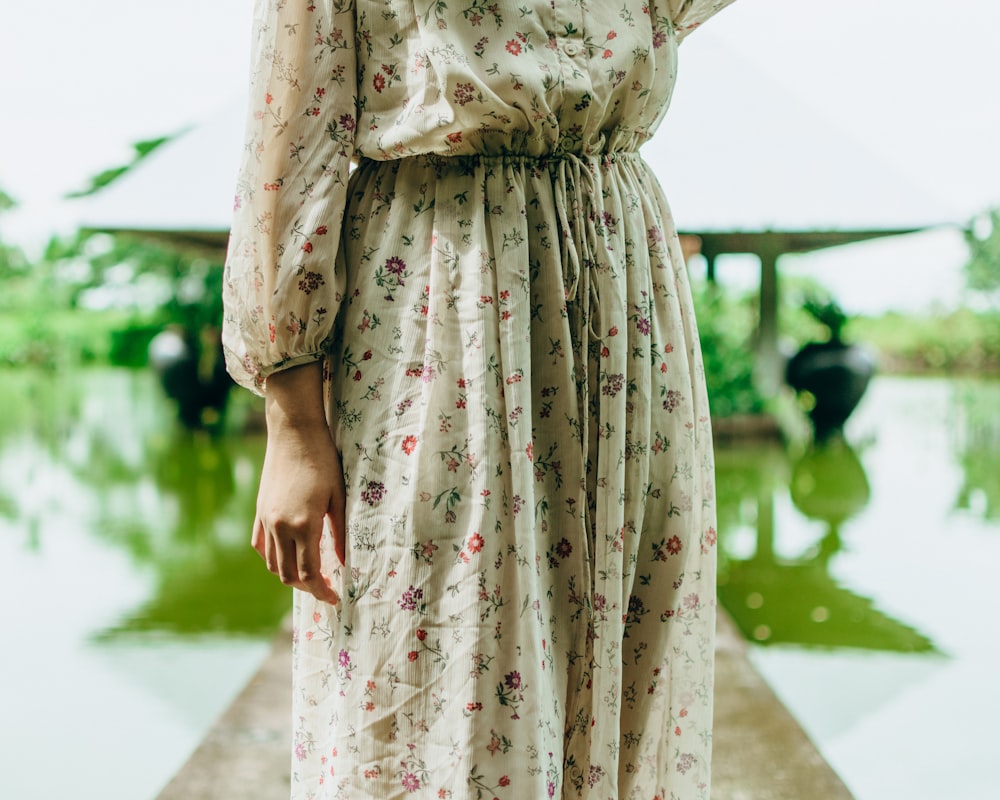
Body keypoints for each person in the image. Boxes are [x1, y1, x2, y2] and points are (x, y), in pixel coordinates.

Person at [222, 1, 735, 798]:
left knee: (620, 665)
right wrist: (292, 419)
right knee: (447, 658)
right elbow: (295, 124)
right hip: (445, 294)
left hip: (621, 288)